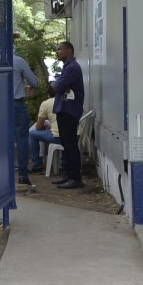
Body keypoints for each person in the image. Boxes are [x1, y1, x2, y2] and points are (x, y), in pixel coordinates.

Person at [49, 41, 85, 190]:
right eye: (56, 49)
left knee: (70, 144)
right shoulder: (67, 67)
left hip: (69, 111)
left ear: (69, 50)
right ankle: (69, 175)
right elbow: (59, 87)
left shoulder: (72, 68)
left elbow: (57, 87)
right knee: (66, 144)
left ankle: (76, 178)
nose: (57, 52)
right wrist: (58, 85)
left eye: (60, 49)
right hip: (63, 110)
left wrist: (55, 84)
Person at [9, 50, 42, 186]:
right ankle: (23, 175)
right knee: (22, 140)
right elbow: (34, 82)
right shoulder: (18, 61)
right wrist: (28, 87)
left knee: (1, 140)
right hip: (16, 104)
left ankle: (1, 174)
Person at [27, 96, 58, 175]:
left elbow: (38, 126)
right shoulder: (68, 101)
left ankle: (37, 166)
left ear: (48, 95)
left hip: (57, 137)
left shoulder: (46, 103)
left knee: (32, 134)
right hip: (72, 136)